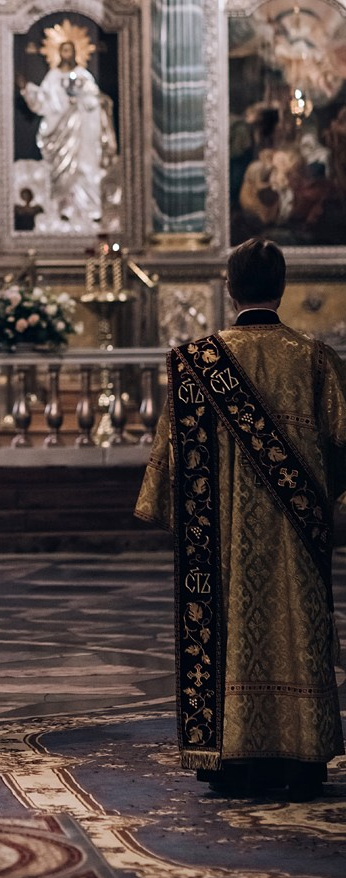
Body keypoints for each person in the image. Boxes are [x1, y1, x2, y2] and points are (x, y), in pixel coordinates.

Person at [136, 237, 346, 799]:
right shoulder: (314, 360)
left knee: (229, 633)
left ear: (229, 288)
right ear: (283, 287)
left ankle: (229, 756)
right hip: (297, 547)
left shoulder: (193, 366)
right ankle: (300, 758)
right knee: (297, 631)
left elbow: (166, 476)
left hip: (220, 546)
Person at [18, 35, 114, 228]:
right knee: (61, 175)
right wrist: (26, 88)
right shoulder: (53, 77)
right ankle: (62, 211)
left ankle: (90, 210)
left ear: (76, 53)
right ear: (59, 53)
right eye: (63, 50)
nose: (66, 54)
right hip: (59, 135)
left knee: (85, 171)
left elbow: (94, 101)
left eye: (70, 50)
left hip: (83, 135)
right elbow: (43, 103)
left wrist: (81, 99)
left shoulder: (83, 75)